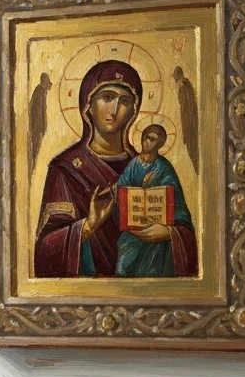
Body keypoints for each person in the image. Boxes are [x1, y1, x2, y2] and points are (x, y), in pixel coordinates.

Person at [33, 60, 197, 278]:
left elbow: (188, 238)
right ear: (88, 105)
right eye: (107, 97)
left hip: (147, 285)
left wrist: (169, 233)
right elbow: (44, 252)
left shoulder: (153, 167)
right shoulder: (66, 169)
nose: (115, 109)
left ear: (133, 111)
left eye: (125, 101)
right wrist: (88, 226)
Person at [115, 124, 196, 277]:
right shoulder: (133, 164)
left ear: (160, 144)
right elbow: (122, 186)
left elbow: (176, 201)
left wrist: (167, 231)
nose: (148, 143)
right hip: (134, 228)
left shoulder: (164, 167)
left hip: (157, 230)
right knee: (123, 266)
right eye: (147, 138)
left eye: (154, 140)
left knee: (154, 269)